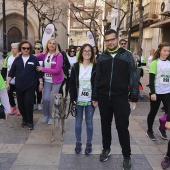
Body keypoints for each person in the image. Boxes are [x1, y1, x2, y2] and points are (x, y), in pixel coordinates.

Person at [92, 29, 138, 170]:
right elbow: (97, 78)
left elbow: (133, 76)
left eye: (112, 39)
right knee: (105, 125)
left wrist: (134, 96)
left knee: (122, 127)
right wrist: (95, 96)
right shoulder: (102, 57)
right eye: (107, 40)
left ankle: (127, 156)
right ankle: (106, 149)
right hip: (104, 97)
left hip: (121, 98)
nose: (110, 42)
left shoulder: (127, 55)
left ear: (117, 39)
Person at [6, 40, 43, 130]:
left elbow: (39, 72)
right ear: (21, 49)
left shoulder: (34, 59)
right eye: (24, 48)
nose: (26, 50)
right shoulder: (17, 59)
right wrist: (7, 83)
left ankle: (30, 121)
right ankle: (24, 119)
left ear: (30, 49)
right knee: (21, 105)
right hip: (19, 86)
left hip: (30, 86)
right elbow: (11, 72)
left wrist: (41, 83)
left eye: (28, 48)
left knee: (28, 104)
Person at [69, 43, 96, 155]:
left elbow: (98, 84)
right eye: (85, 50)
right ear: (81, 53)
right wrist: (72, 98)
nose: (87, 53)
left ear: (92, 53)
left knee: (89, 122)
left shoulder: (95, 67)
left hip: (90, 100)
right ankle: (78, 142)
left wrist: (96, 98)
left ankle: (89, 143)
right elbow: (71, 84)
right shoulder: (75, 66)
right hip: (78, 99)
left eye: (89, 51)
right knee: (78, 122)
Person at [36, 37, 64, 125]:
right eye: (50, 43)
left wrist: (43, 69)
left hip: (57, 80)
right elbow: (33, 58)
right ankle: (46, 115)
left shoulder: (59, 55)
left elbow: (57, 70)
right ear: (47, 45)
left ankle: (52, 116)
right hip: (47, 80)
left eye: (53, 43)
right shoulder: (44, 54)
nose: (51, 45)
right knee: (45, 98)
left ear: (56, 46)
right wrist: (21, 55)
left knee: (52, 98)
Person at [146, 42, 170, 141]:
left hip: (167, 91)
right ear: (159, 51)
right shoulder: (155, 62)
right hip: (156, 91)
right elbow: (151, 79)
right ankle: (149, 131)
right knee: (153, 112)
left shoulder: (169, 62)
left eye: (168, 51)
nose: (166, 53)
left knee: (169, 112)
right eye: (164, 51)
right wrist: (153, 93)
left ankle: (162, 128)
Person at [2, 43, 20, 115]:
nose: (12, 50)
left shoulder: (20, 57)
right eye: (12, 48)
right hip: (10, 79)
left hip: (18, 79)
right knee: (9, 93)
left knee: (19, 94)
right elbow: (4, 69)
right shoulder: (8, 58)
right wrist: (4, 80)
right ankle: (13, 106)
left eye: (14, 48)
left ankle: (20, 108)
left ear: (18, 49)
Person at [33, 43, 43, 111]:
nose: (36, 50)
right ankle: (34, 103)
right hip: (33, 76)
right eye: (35, 48)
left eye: (38, 48)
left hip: (40, 76)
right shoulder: (32, 57)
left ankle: (39, 103)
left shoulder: (42, 57)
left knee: (39, 90)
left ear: (41, 49)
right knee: (32, 91)